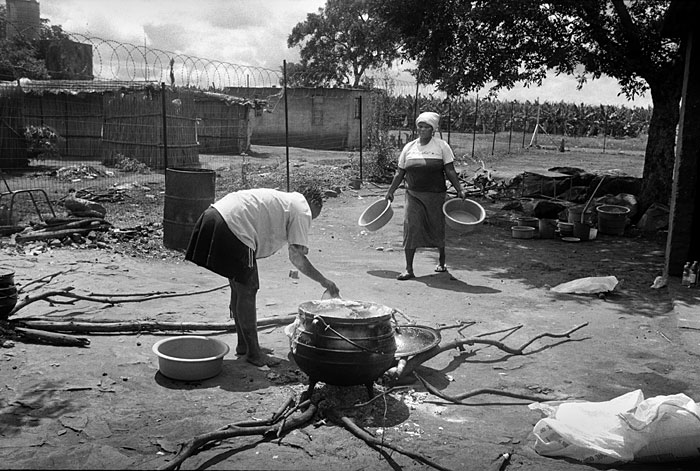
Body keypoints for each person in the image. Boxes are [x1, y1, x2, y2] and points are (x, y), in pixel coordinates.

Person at [185, 186, 340, 367]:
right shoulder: (302, 208)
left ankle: (244, 345)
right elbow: (296, 257)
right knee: (248, 290)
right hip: (233, 225)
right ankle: (254, 353)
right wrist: (324, 281)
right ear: (312, 203)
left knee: (239, 287)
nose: (309, 222)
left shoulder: (287, 201)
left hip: (215, 216)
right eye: (312, 217)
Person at [385, 111, 466, 280]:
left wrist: (459, 189)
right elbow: (400, 172)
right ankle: (409, 269)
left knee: (437, 227)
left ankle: (442, 261)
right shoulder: (409, 147)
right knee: (411, 227)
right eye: (420, 126)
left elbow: (450, 170)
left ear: (433, 130)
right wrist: (390, 191)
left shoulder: (441, 146)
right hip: (413, 195)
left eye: (426, 127)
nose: (422, 130)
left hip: (436, 195)